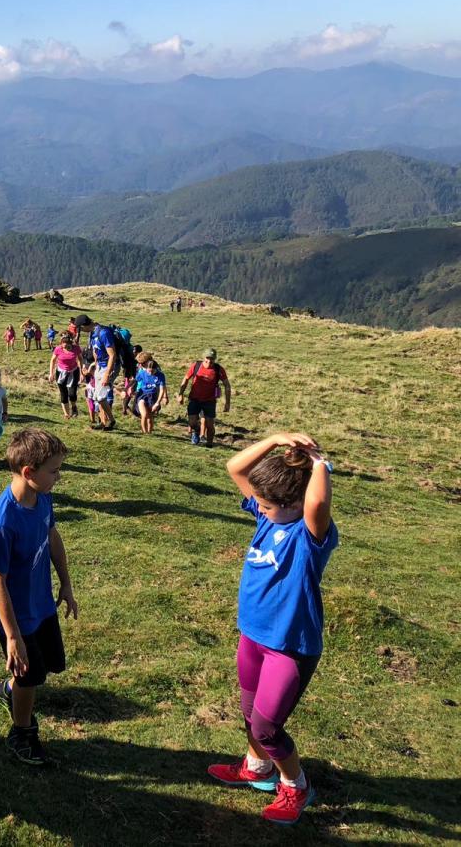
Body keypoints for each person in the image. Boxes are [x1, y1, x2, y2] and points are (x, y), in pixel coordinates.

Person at [208, 433, 337, 825]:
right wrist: (276, 439)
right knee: (250, 716)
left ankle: (295, 785)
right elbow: (235, 468)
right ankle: (256, 768)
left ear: (294, 504)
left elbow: (316, 502)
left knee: (267, 726)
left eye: (265, 505)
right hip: (253, 637)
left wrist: (320, 464)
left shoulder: (308, 535)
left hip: (289, 646)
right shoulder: (270, 517)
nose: (258, 510)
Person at [0, 428, 78, 766]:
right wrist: (12, 636)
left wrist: (65, 583)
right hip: (15, 614)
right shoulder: (4, 520)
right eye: (54, 470)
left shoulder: (42, 497)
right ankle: (21, 733)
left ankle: (10, 691)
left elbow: (52, 536)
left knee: (49, 665)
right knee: (30, 674)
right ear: (28, 472)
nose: (58, 476)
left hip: (40, 604)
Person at [178, 348, 231, 447]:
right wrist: (180, 394)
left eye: (212, 358)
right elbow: (186, 379)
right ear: (204, 357)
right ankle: (197, 431)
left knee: (210, 424)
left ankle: (209, 445)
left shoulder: (218, 369)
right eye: (207, 358)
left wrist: (227, 403)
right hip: (194, 399)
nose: (209, 361)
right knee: (192, 422)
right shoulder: (196, 366)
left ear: (215, 359)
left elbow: (227, 385)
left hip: (209, 401)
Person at [73, 314, 117, 432]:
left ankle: (110, 421)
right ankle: (104, 422)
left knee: (100, 397)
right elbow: (95, 352)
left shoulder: (103, 333)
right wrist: (95, 366)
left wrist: (107, 374)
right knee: (98, 397)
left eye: (80, 328)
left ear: (84, 325)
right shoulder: (93, 333)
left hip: (108, 367)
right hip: (99, 367)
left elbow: (112, 355)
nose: (80, 331)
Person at [47, 333, 82, 420]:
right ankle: (66, 414)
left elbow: (80, 359)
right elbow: (53, 360)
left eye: (66, 344)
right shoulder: (58, 349)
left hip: (73, 372)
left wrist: (82, 372)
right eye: (63, 343)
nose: (64, 346)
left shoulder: (76, 348)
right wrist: (51, 373)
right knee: (64, 394)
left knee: (72, 394)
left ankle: (74, 407)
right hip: (61, 372)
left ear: (70, 343)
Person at [132, 353, 167, 434]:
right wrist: (129, 388)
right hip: (141, 393)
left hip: (152, 395)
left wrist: (164, 397)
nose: (140, 365)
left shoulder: (159, 374)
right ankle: (144, 432)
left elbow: (162, 387)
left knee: (150, 417)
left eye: (142, 363)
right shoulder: (141, 371)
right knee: (143, 414)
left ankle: (149, 433)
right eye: (139, 363)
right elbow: (135, 380)